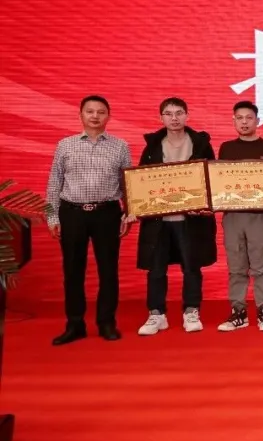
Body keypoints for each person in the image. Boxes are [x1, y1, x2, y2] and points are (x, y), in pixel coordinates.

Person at [46, 96, 132, 345]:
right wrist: (52, 216)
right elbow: (54, 183)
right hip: (72, 213)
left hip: (107, 213)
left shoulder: (120, 146)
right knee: (73, 270)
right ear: (81, 115)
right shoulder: (65, 145)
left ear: (108, 116)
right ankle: (75, 324)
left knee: (108, 270)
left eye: (101, 112)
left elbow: (128, 184)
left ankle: (106, 322)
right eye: (90, 111)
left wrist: (129, 213)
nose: (95, 116)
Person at [135, 98, 217, 336]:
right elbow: (140, 180)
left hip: (191, 220)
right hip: (159, 220)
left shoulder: (201, 144)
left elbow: (212, 177)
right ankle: (156, 314)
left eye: (179, 113)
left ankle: (191, 311)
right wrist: (137, 206)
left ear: (187, 115)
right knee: (156, 269)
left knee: (191, 267)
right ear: (161, 117)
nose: (174, 118)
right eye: (168, 113)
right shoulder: (152, 145)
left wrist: (206, 205)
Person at [216, 101, 263, 332]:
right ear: (234, 121)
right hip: (232, 216)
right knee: (236, 266)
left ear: (257, 120)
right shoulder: (226, 148)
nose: (244, 122)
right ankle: (238, 312)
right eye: (239, 118)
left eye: (249, 118)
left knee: (261, 266)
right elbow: (220, 181)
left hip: (259, 216)